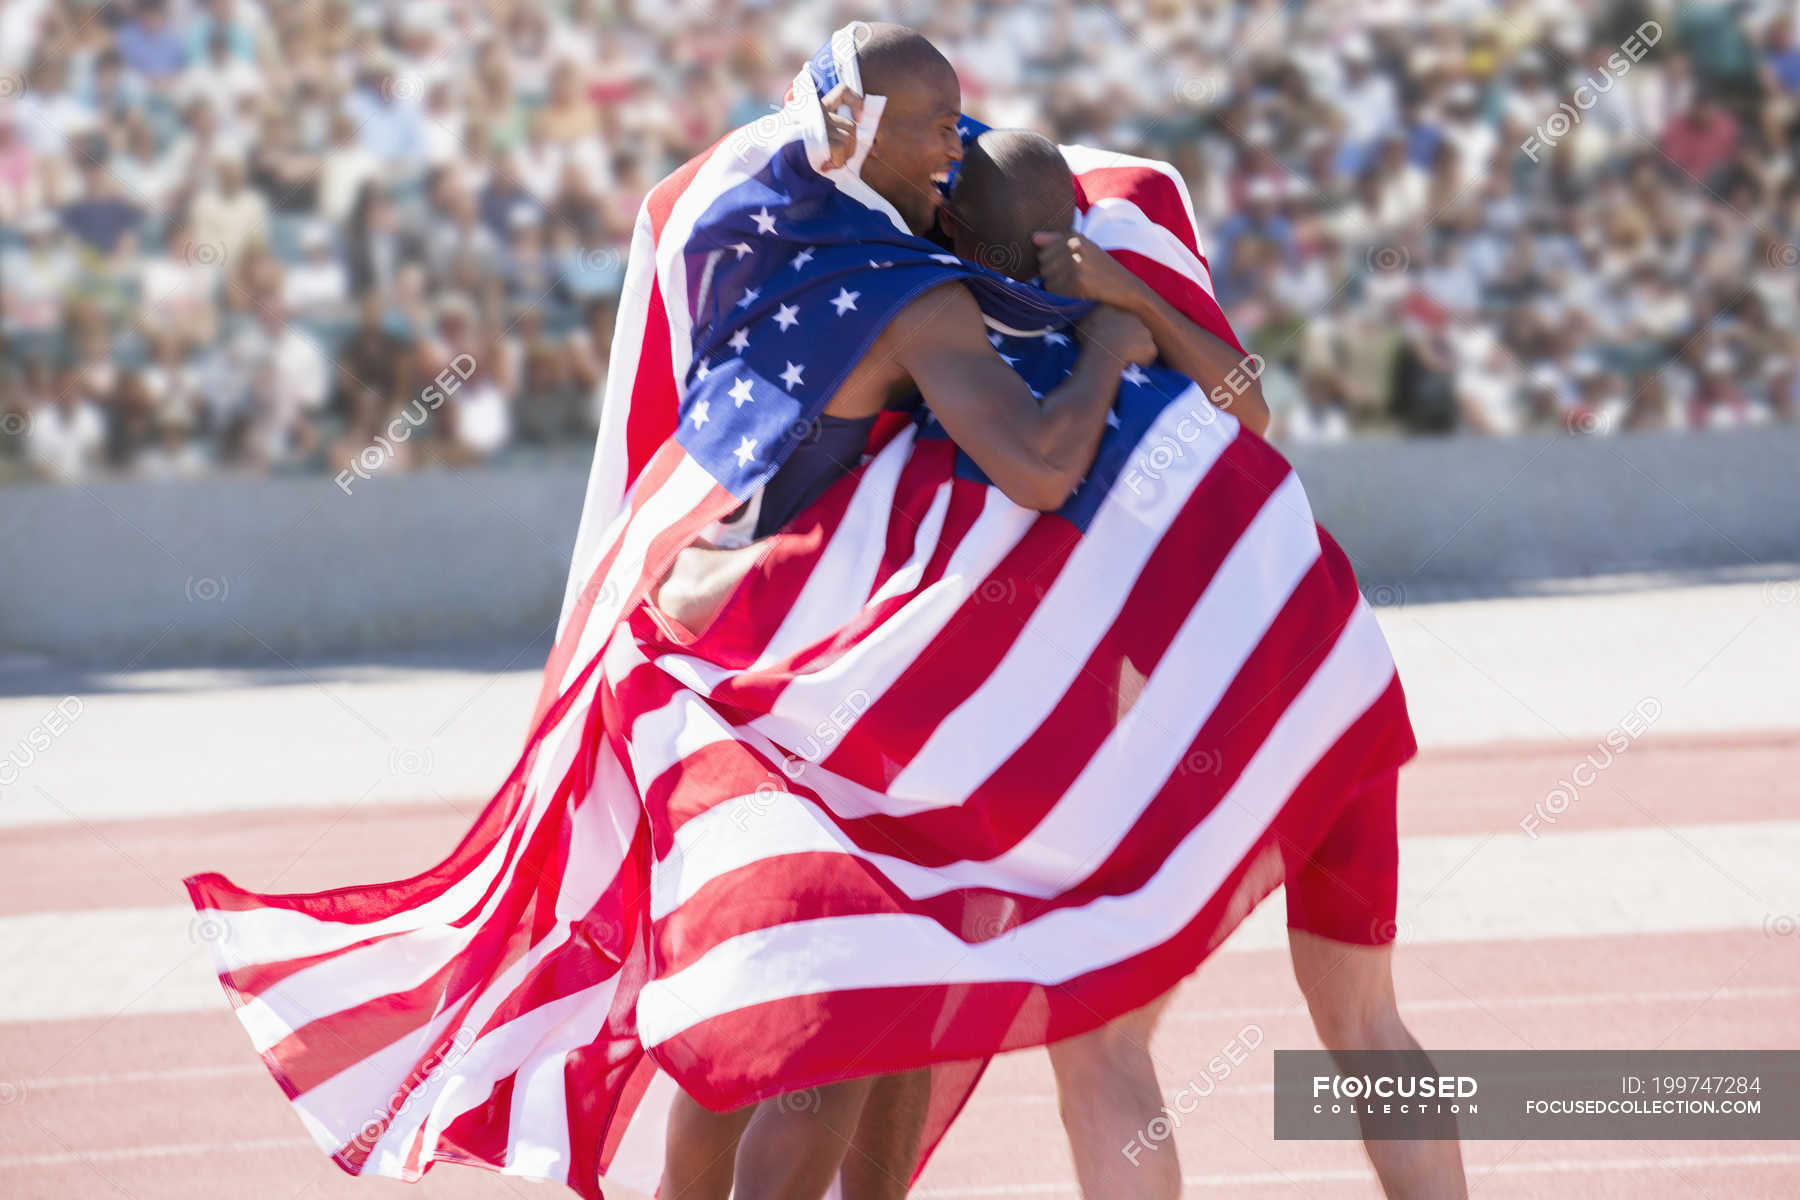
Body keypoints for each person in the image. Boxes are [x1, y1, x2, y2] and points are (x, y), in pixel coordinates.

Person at [655, 27, 1157, 1200]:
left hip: (715, 661)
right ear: (856, 132)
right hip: (824, 694)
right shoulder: (912, 300)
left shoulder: (761, 234)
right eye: (934, 122)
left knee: (768, 1013)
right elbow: (1038, 466)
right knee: (839, 1033)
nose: (956, 139)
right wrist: (1107, 349)